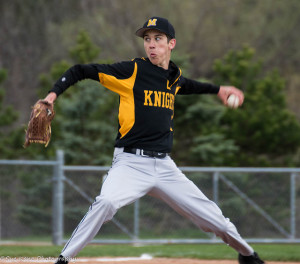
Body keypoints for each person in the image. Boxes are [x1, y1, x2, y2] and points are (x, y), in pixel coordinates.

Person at [45, 17, 264, 264]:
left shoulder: (174, 76)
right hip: (130, 163)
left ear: (171, 43)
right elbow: (80, 71)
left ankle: (247, 255)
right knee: (105, 202)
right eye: (147, 39)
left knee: (212, 217)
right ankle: (64, 259)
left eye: (157, 39)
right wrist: (52, 95)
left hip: (165, 167)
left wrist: (218, 90)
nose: (151, 44)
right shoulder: (133, 70)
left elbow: (189, 85)